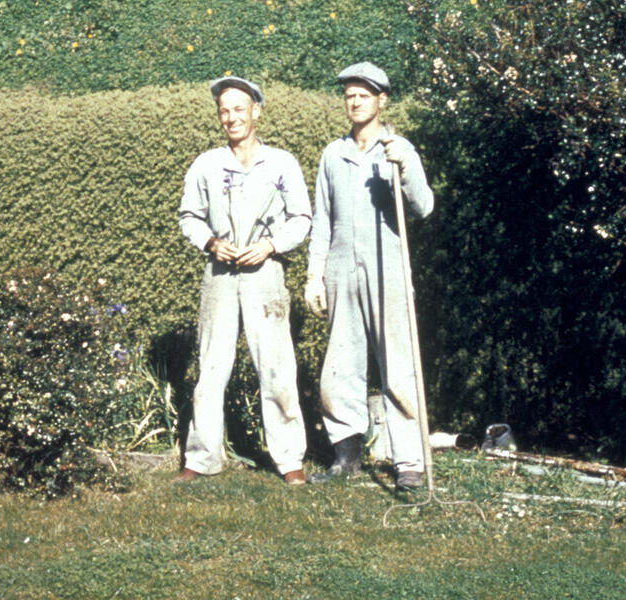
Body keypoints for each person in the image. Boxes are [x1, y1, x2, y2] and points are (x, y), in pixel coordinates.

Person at [304, 62, 435, 491]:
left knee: (398, 366)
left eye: (364, 94)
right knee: (340, 366)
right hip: (342, 271)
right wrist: (313, 276)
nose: (355, 101)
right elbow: (321, 221)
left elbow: (424, 207)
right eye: (349, 95)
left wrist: (406, 170)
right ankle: (346, 456)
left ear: (382, 100)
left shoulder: (399, 149)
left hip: (387, 270)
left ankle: (409, 463)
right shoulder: (332, 154)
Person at [177, 76, 311, 485]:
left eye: (239, 109)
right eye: (224, 111)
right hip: (220, 275)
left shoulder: (281, 163)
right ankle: (200, 458)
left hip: (264, 274)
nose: (231, 117)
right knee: (212, 367)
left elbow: (301, 218)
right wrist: (211, 243)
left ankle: (289, 460)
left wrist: (270, 246)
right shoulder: (206, 164)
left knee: (275, 366)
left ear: (256, 110)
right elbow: (189, 217)